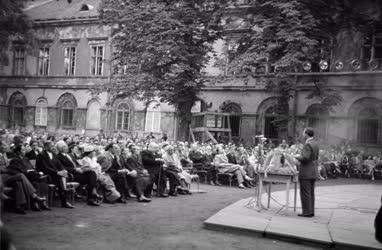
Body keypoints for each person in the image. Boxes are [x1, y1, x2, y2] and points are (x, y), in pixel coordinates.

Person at [56, 141, 101, 206]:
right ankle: (92, 196)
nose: (67, 147)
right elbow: (63, 167)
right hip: (72, 175)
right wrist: (75, 169)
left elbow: (77, 164)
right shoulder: (58, 156)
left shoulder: (69, 155)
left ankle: (91, 197)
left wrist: (82, 168)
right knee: (91, 176)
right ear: (61, 148)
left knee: (92, 173)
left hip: (79, 172)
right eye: (65, 146)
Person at [36, 140, 74, 208]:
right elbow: (45, 168)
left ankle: (64, 200)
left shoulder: (54, 154)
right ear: (46, 147)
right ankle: (64, 201)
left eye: (53, 146)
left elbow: (59, 164)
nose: (53, 147)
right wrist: (57, 172)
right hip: (46, 176)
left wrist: (63, 170)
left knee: (63, 177)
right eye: (51, 146)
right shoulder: (41, 155)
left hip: (55, 175)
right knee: (62, 178)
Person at [295, 127, 319, 217]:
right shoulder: (315, 143)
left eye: (303, 132)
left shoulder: (308, 144)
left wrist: (297, 156)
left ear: (306, 134)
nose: (302, 134)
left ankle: (306, 212)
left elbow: (305, 158)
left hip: (306, 171)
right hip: (313, 170)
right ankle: (311, 211)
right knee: (311, 193)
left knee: (305, 193)